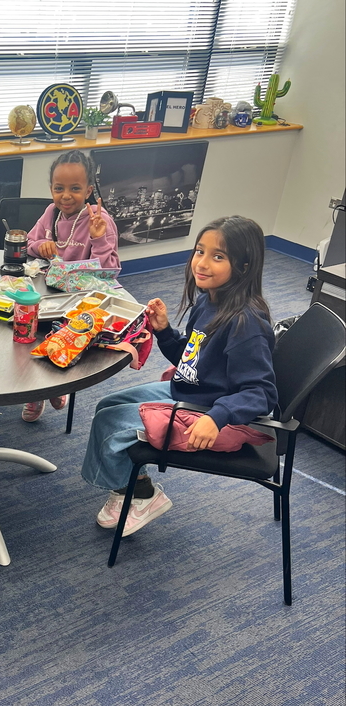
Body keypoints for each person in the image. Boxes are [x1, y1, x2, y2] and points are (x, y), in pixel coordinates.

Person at [81, 215, 278, 536]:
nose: (202, 263)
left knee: (109, 424)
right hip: (190, 394)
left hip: (215, 415)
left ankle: (140, 493)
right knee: (106, 405)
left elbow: (262, 394)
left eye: (218, 256)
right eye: (200, 251)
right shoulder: (208, 302)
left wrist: (216, 418)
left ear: (243, 266)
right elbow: (192, 360)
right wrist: (164, 332)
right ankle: (132, 485)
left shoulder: (246, 325)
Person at [22, 149, 120, 422]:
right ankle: (35, 388)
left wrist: (98, 239)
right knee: (28, 331)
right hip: (50, 292)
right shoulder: (51, 213)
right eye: (59, 188)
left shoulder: (100, 221)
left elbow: (108, 271)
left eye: (75, 188)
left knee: (61, 338)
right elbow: (30, 242)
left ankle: (50, 387)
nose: (66, 195)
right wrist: (43, 245)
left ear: (89, 190)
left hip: (82, 299)